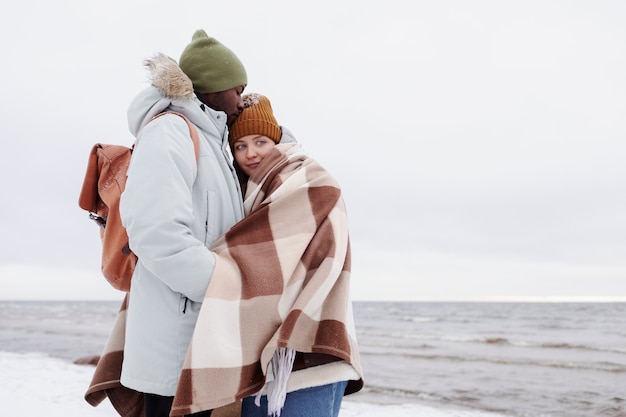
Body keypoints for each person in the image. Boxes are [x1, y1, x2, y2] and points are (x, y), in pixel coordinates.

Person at [169, 94, 364, 417]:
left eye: (260, 141)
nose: (251, 153)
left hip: (311, 345)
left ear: (276, 140)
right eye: (240, 146)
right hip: (261, 348)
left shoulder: (311, 179)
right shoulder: (246, 193)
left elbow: (299, 250)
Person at [118, 30, 249, 417]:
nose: (242, 100)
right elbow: (156, 232)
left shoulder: (213, 141)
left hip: (201, 331)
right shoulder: (170, 131)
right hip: (178, 337)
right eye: (237, 90)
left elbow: (278, 141)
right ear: (211, 89)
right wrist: (225, 288)